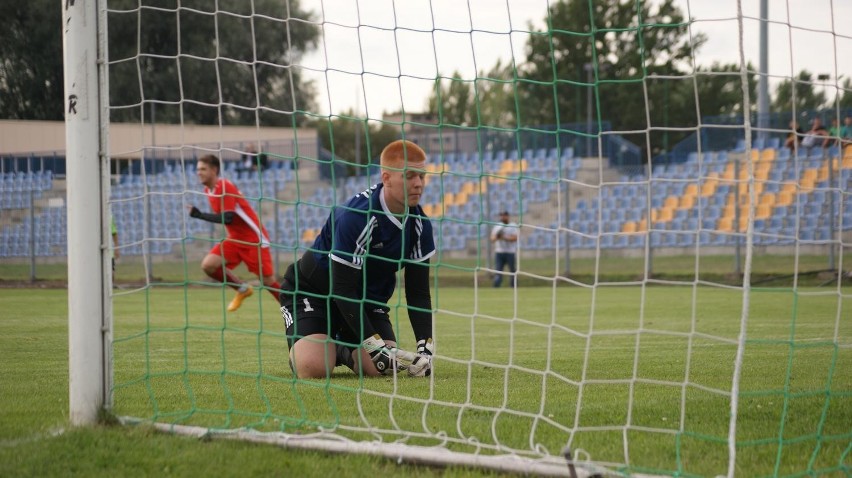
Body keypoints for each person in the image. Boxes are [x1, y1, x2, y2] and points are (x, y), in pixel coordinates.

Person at [278, 139, 435, 379]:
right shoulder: (356, 216)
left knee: (383, 369)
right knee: (314, 368)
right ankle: (319, 349)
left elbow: (418, 293)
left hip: (365, 300)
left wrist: (426, 348)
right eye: (409, 176)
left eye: (421, 176)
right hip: (315, 293)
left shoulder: (420, 225)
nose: (418, 184)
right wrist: (373, 345)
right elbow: (341, 288)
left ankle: (343, 350)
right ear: (386, 178)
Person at [187, 154, 280, 312]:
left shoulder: (224, 186)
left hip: (253, 239)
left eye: (203, 169)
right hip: (236, 238)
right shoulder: (208, 190)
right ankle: (242, 289)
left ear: (214, 170)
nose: (199, 172)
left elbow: (228, 217)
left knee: (268, 281)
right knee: (209, 265)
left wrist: (200, 215)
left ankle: (294, 308)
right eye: (197, 169)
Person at [490, 210, 519, 288]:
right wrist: (497, 237)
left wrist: (504, 237)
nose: (502, 217)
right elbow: (492, 238)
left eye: (504, 215)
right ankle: (496, 286)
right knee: (498, 270)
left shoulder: (513, 225)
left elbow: (515, 238)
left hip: (510, 252)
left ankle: (513, 286)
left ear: (507, 216)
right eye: (501, 215)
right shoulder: (497, 226)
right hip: (499, 252)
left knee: (512, 270)